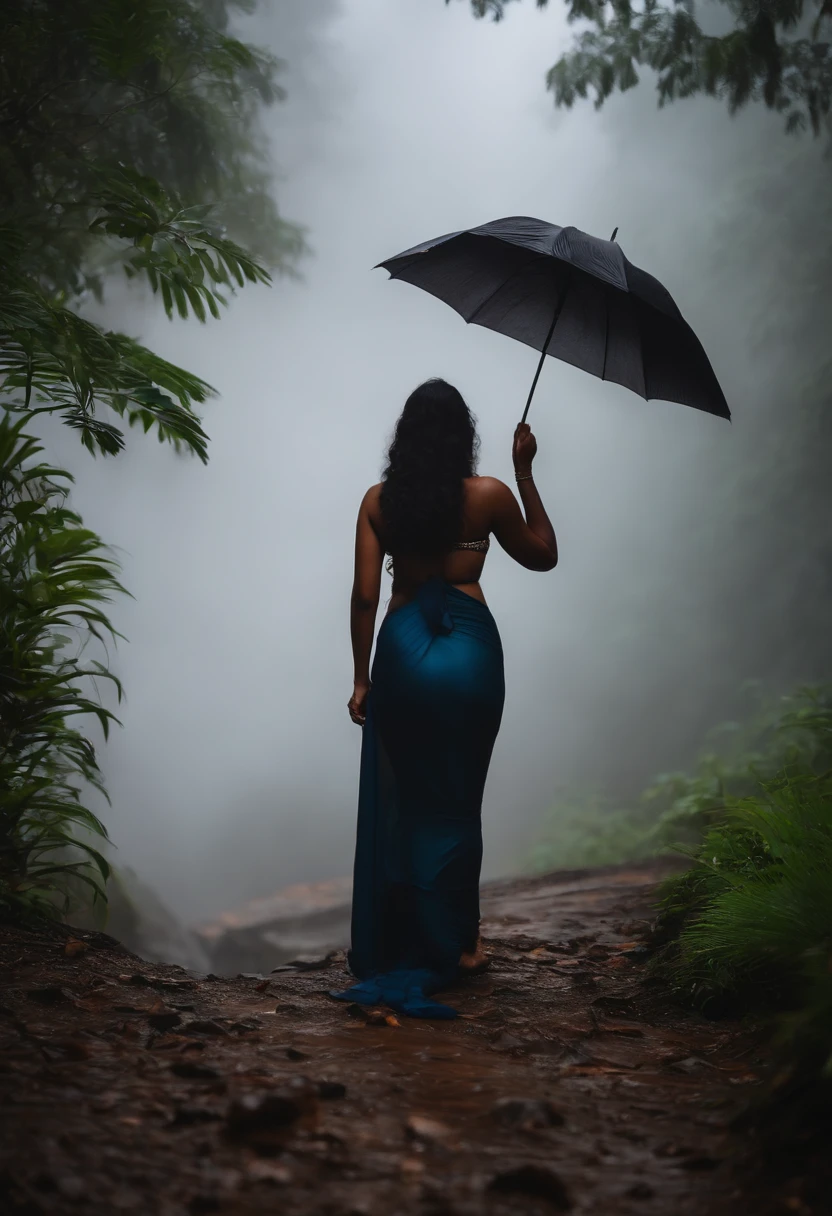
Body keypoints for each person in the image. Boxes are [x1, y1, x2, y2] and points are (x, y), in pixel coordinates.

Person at [331, 378, 558, 1019]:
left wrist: (360, 679)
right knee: (460, 800)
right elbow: (544, 556)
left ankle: (409, 937)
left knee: (409, 799)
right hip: (472, 654)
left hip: (402, 653)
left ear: (404, 438)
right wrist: (524, 471)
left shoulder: (379, 503)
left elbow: (365, 597)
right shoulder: (487, 496)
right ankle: (464, 943)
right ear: (465, 436)